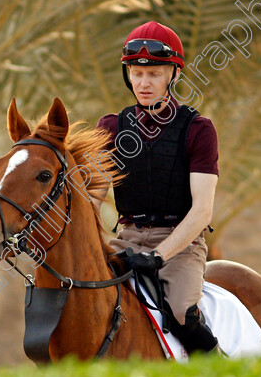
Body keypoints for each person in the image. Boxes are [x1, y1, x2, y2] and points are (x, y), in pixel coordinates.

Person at [94, 21, 221, 355]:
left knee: (180, 312)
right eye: (136, 73)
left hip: (180, 246)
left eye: (154, 74)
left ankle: (222, 370)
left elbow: (202, 211)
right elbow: (91, 198)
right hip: (125, 239)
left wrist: (158, 256)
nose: (144, 83)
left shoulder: (199, 130)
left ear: (173, 75)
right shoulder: (110, 129)